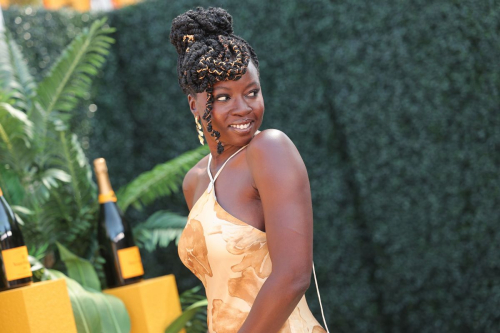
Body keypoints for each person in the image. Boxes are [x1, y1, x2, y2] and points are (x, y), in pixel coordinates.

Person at [170, 7, 328, 333]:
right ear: (194, 104)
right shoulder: (195, 182)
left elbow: (292, 276)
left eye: (252, 92)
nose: (243, 108)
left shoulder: (269, 150)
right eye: (223, 97)